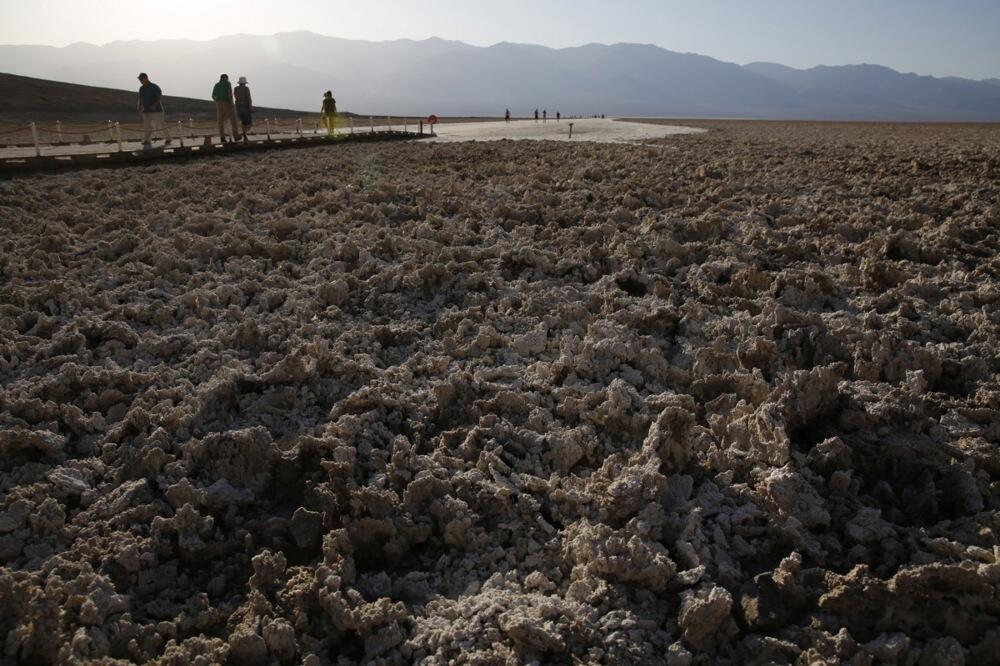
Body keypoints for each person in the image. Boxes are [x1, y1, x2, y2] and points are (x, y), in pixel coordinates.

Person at [136, 73, 172, 149]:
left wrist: (155, 105)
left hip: (157, 110)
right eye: (139, 80)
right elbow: (140, 98)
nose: (140, 81)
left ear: (145, 78)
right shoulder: (141, 88)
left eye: (141, 79)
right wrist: (138, 106)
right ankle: (147, 140)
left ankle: (168, 139)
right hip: (146, 111)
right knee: (147, 126)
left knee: (161, 124)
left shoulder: (154, 87)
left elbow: (159, 97)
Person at [212, 73, 241, 143]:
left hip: (219, 104)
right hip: (227, 103)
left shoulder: (216, 85)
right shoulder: (227, 83)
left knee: (220, 122)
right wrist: (231, 103)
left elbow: (213, 95)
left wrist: (217, 101)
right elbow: (230, 93)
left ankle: (222, 137)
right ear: (225, 78)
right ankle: (236, 136)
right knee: (233, 120)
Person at [234, 76, 253, 142]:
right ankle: (244, 133)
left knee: (243, 121)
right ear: (244, 83)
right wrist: (250, 107)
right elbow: (248, 98)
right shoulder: (246, 89)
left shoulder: (236, 89)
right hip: (245, 106)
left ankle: (244, 134)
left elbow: (235, 97)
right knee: (248, 122)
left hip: (238, 106)